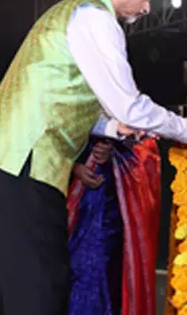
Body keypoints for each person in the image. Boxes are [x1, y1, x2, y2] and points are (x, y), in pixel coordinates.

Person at [0, 0, 187, 315]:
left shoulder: (71, 9)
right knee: (40, 287)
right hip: (20, 162)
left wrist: (109, 128)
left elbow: (58, 95)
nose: (146, 7)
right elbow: (130, 105)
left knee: (1, 288)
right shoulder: (96, 18)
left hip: (0, 160)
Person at [67, 135, 161, 315]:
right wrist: (74, 165)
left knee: (107, 275)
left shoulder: (133, 111)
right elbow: (48, 141)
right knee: (76, 274)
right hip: (75, 202)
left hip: (116, 204)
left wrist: (118, 153)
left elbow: (145, 144)